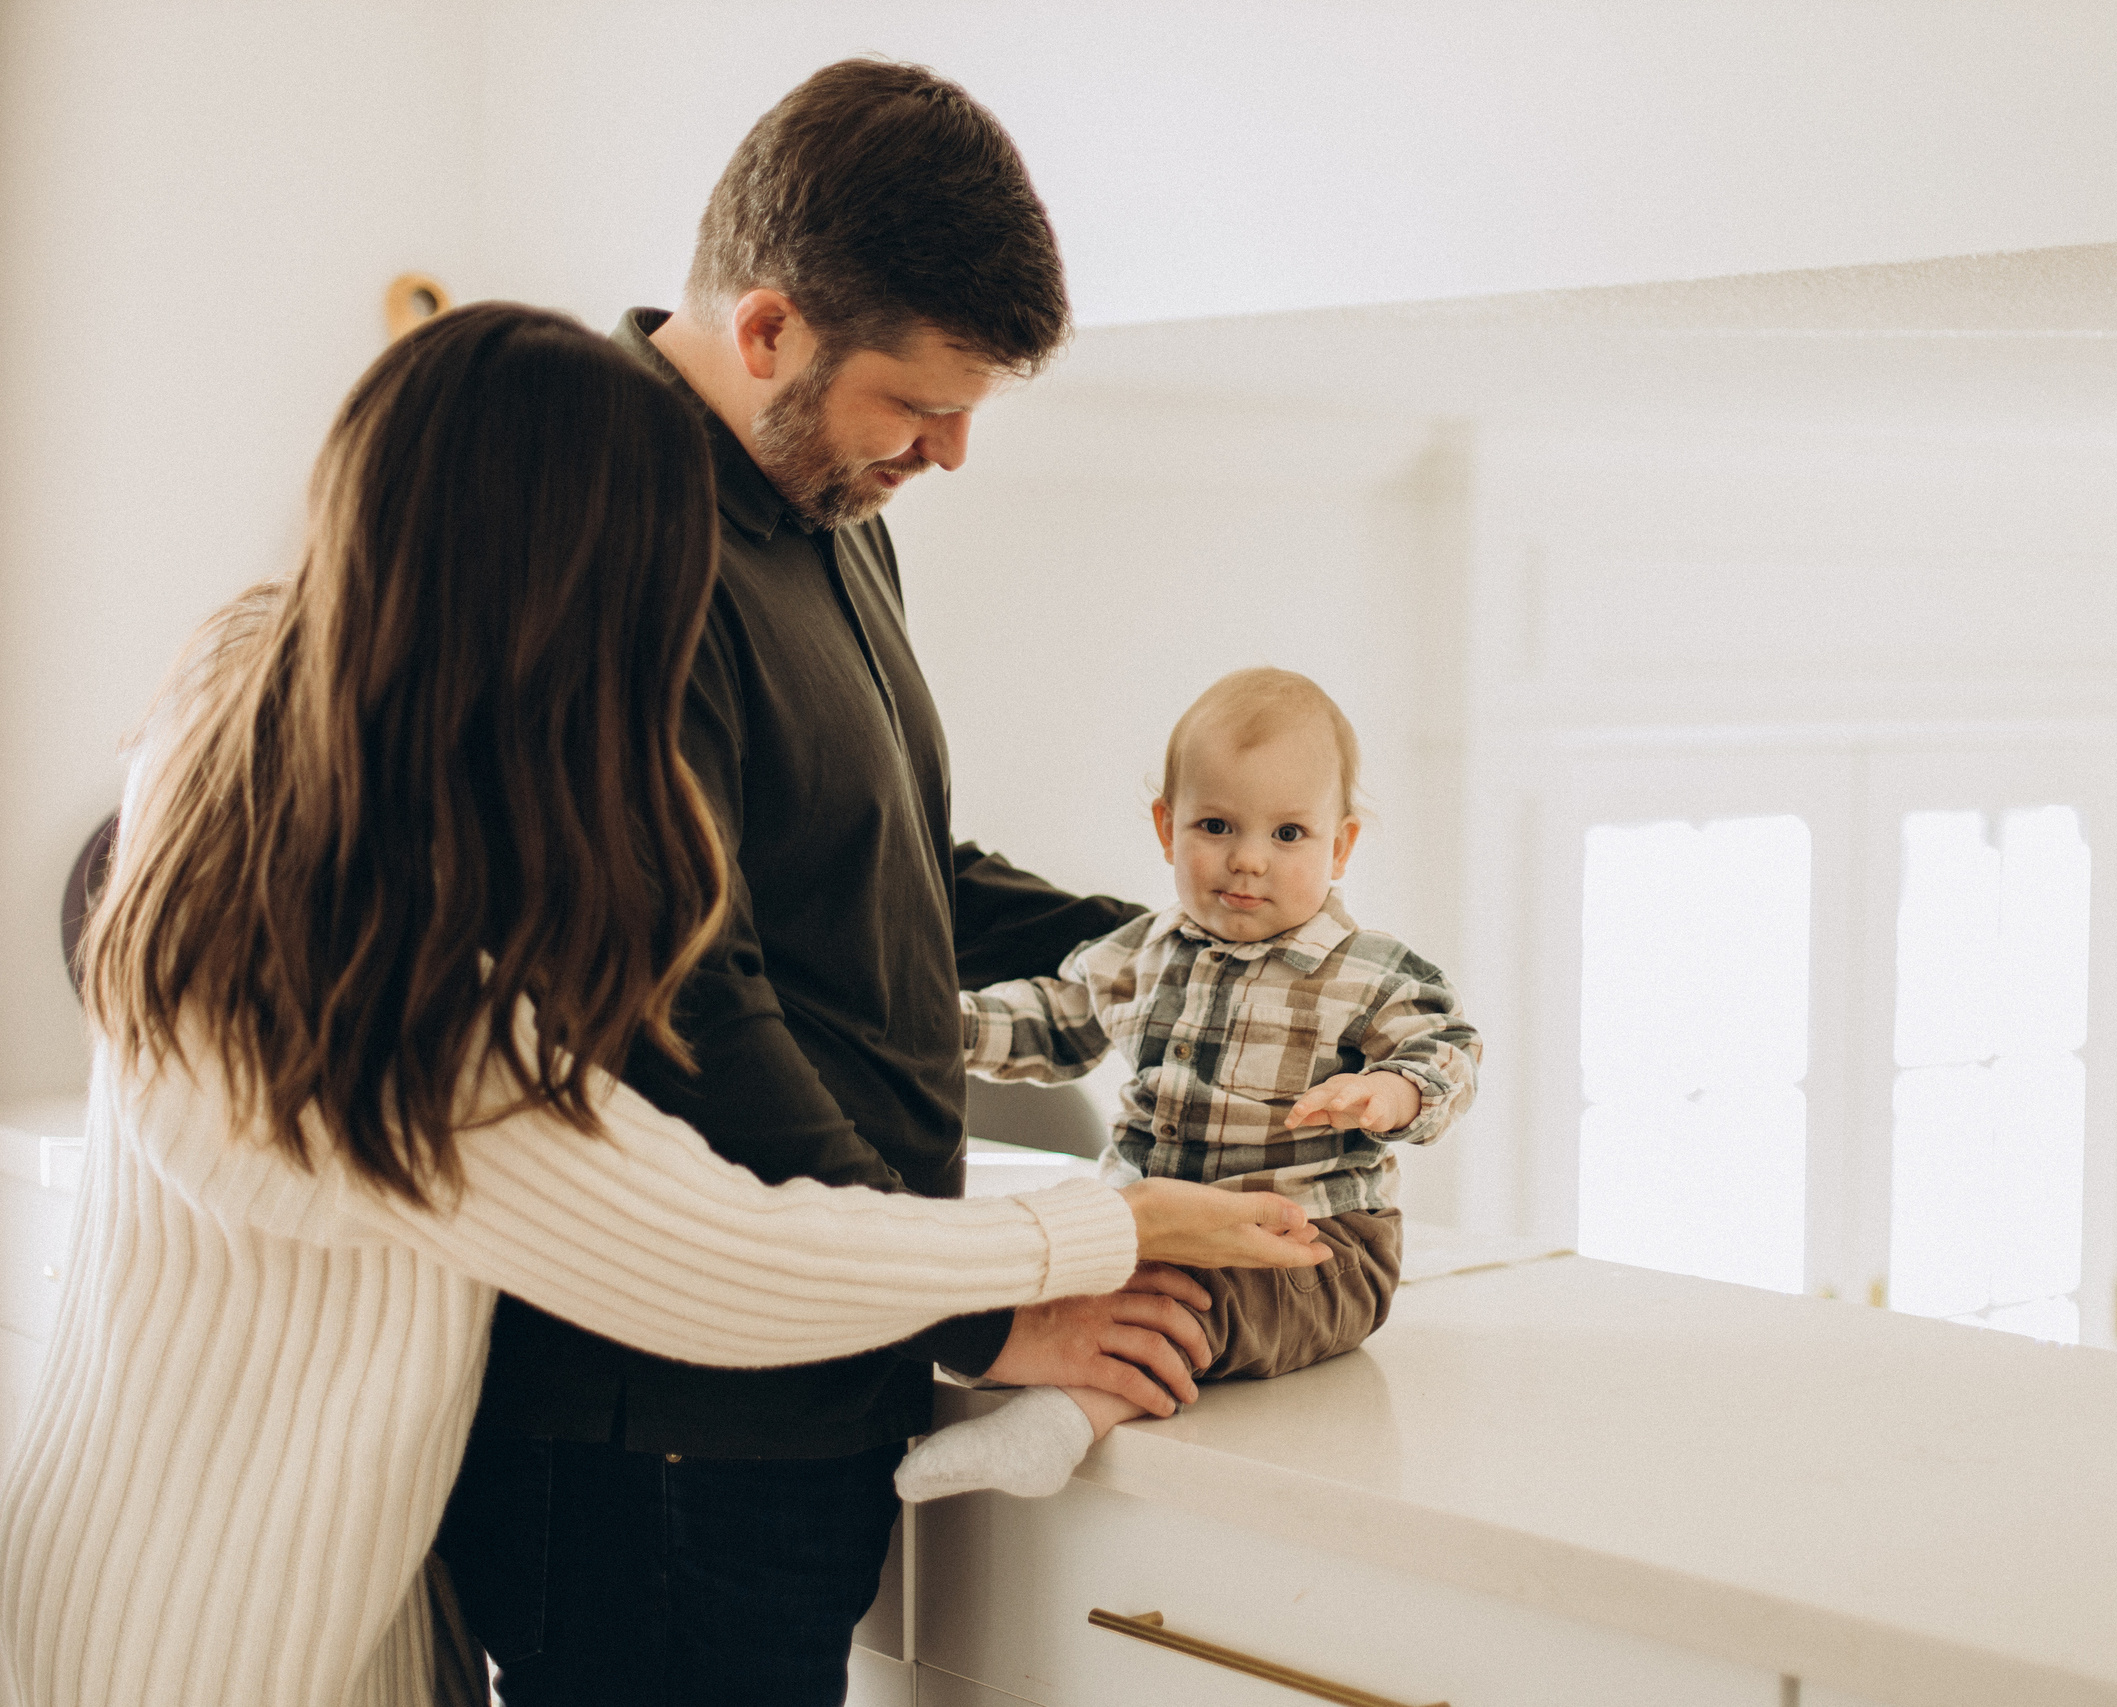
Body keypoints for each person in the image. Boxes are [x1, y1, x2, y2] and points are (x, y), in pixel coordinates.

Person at [0, 305, 1319, 1707]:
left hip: (230, 1586)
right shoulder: (384, 1016)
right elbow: (729, 1252)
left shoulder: (252, 699)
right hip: (224, 1644)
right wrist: (1095, 1232)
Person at [433, 58, 1233, 1707]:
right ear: (773, 329)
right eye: (918, 404)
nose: (947, 452)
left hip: (794, 1397)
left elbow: (878, 866)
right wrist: (977, 1314)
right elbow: (681, 988)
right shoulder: (605, 521)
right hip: (656, 1433)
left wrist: (1161, 945)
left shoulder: (826, 501)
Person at [894, 668, 1481, 1502]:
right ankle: (1008, 1374)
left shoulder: (1368, 971)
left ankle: (1065, 1418)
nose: (1247, 860)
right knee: (1058, 1269)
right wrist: (938, 1027)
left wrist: (1393, 1091)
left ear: (1339, 845)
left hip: (1311, 1241)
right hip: (1160, 1224)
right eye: (1216, 825)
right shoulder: (1143, 950)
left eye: (1288, 834)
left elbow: (1448, 1050)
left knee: (1191, 1301)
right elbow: (1055, 1020)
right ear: (1168, 828)